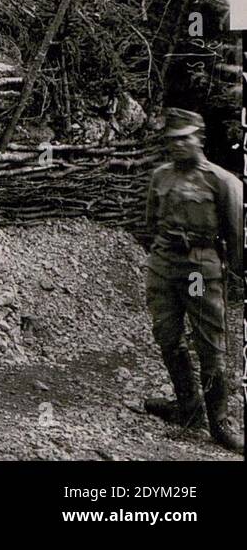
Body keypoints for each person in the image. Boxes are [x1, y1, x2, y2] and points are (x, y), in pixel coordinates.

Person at [141, 108, 243, 454]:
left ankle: (220, 423)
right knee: (167, 337)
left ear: (199, 138)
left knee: (208, 344)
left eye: (185, 138)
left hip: (200, 270)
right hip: (164, 265)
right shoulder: (160, 176)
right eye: (173, 139)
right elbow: (150, 221)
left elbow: (234, 235)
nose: (179, 145)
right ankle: (188, 408)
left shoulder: (223, 182)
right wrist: (158, 256)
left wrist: (232, 277)